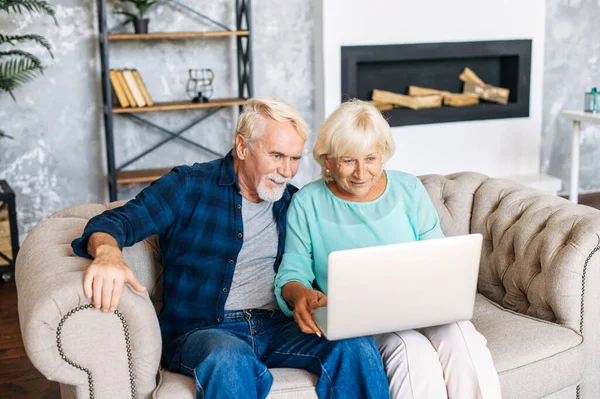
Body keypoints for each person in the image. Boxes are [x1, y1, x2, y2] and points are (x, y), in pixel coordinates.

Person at [71, 98, 390, 399]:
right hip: (205, 330)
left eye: (294, 159)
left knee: (354, 344)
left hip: (277, 326)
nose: (288, 171)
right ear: (242, 146)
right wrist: (108, 253)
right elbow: (116, 221)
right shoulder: (188, 186)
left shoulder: (292, 201)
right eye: (277, 156)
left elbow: (304, 267)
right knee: (228, 358)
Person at [275, 99, 502, 399]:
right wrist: (300, 293)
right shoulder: (308, 203)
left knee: (462, 336)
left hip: (423, 306)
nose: (360, 173)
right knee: (412, 351)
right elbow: (293, 271)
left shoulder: (408, 189)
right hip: (364, 322)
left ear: (383, 153)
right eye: (348, 160)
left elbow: (438, 256)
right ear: (327, 160)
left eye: (370, 158)